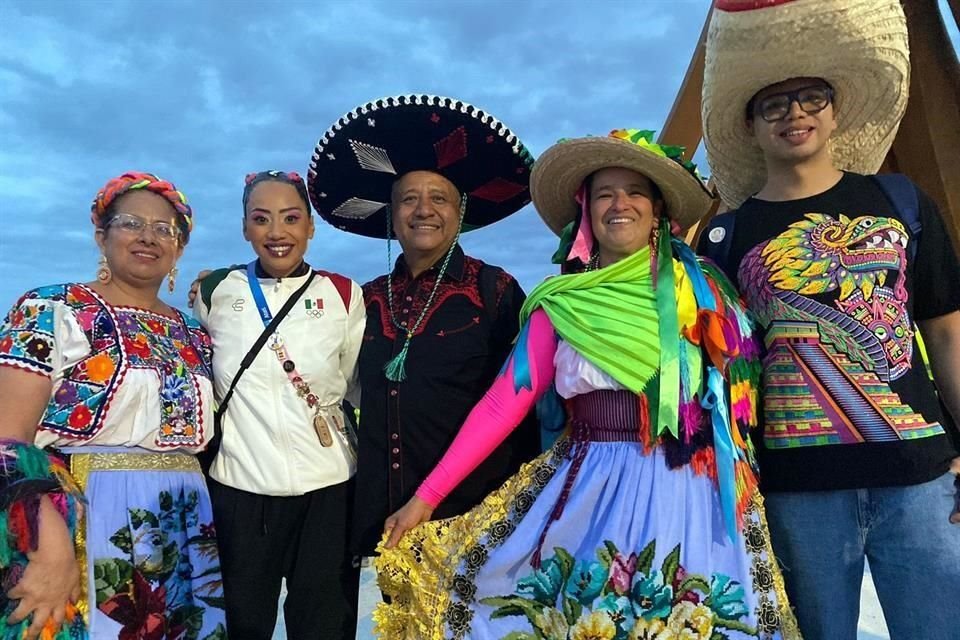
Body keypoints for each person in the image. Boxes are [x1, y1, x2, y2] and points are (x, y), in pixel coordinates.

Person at [374, 129, 801, 639]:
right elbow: (501, 405)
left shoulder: (705, 290)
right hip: (591, 489)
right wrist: (426, 497)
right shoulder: (560, 303)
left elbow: (740, 397)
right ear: (586, 212)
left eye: (635, 191)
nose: (619, 204)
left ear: (659, 210)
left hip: (691, 493)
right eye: (604, 194)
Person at [698, 1, 960, 638]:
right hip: (795, 492)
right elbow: (715, 375)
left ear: (836, 109)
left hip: (921, 479)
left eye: (811, 97)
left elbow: (948, 333)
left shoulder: (900, 202)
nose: (795, 114)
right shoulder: (725, 237)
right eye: (774, 104)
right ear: (752, 126)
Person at [306, 95, 540, 559]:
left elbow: (522, 402)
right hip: (384, 517)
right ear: (391, 215)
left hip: (473, 514)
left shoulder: (496, 291)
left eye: (439, 198)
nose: (423, 210)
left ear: (460, 212)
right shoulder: (363, 299)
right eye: (408, 199)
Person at [0, 172, 225, 638]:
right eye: (130, 223)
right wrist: (48, 544)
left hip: (186, 523)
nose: (148, 237)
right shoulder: (51, 308)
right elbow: (7, 439)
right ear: (101, 235)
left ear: (180, 248)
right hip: (85, 514)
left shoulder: (194, 333)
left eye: (165, 229)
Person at [192, 170, 364, 639]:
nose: (277, 232)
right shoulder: (216, 293)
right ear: (245, 228)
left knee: (324, 625)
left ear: (311, 226)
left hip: (328, 490)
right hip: (239, 490)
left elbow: (355, 386)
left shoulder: (344, 295)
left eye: (291, 218)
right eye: (261, 219)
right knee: (242, 626)